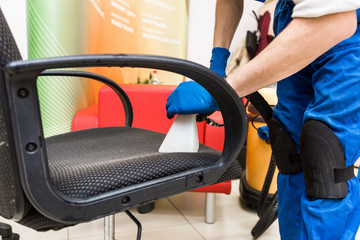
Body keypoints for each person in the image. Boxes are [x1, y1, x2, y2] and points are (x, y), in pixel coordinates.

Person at [166, 0, 360, 239]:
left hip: (347, 33)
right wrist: (217, 66)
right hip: (293, 18)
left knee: (326, 162)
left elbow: (336, 21)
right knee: (290, 154)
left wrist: (226, 90)